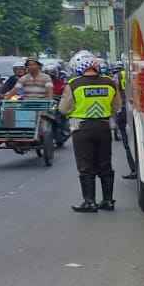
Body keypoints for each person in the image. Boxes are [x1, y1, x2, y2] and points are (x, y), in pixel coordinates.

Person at [57, 56, 120, 213]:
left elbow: (64, 109)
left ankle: (90, 202)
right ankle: (108, 201)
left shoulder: (73, 84)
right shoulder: (109, 82)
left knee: (86, 166)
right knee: (105, 164)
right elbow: (117, 105)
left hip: (82, 129)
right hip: (104, 127)